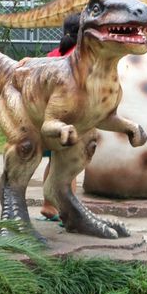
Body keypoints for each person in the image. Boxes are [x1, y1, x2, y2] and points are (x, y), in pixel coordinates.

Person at [40, 13, 80, 221]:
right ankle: (67, 212)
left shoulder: (53, 54)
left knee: (55, 161)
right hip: (69, 118)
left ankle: (49, 205)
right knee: (69, 166)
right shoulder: (80, 57)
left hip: (48, 117)